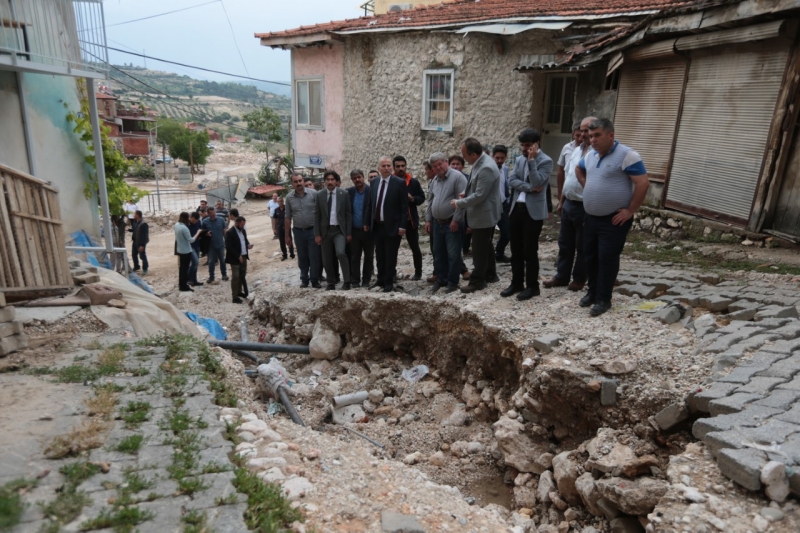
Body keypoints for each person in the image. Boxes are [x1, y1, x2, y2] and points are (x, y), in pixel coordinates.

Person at [576, 118, 649, 316]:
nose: (593, 140)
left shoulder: (627, 155)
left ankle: (603, 299)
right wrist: (589, 186)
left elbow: (643, 183)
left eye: (597, 135)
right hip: (591, 217)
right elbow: (578, 169)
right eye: (590, 136)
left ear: (611, 135)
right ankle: (592, 293)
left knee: (606, 258)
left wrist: (630, 210)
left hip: (613, 220)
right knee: (589, 256)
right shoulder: (591, 155)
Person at [544, 116, 597, 292]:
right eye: (581, 130)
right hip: (569, 204)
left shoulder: (597, 153)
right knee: (564, 243)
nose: (583, 134)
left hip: (585, 205)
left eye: (586, 130)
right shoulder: (575, 150)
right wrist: (561, 201)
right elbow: (567, 176)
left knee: (582, 244)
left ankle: (579, 279)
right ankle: (561, 276)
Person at [502, 128, 553, 301]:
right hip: (516, 208)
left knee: (529, 250)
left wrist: (532, 161)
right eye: (522, 145)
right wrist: (529, 188)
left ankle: (533, 286)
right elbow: (512, 180)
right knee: (515, 249)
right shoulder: (519, 160)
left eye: (528, 145)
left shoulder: (546, 161)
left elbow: (539, 181)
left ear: (536, 144)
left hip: (533, 212)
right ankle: (516, 283)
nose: (524, 149)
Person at [453, 138, 502, 293]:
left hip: (484, 214)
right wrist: (466, 193)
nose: (464, 158)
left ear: (473, 154)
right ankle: (490, 274)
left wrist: (459, 203)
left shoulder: (486, 167)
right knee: (486, 245)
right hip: (483, 212)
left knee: (479, 249)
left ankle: (477, 281)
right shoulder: (481, 161)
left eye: (464, 155)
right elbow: (476, 185)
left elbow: (480, 195)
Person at [426, 153, 467, 294]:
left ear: (446, 162)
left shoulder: (458, 177)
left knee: (453, 254)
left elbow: (462, 201)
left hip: (452, 222)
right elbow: (430, 201)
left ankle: (453, 282)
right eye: (434, 166)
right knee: (438, 253)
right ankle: (441, 280)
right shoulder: (434, 181)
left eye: (440, 164)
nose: (438, 168)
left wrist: (456, 220)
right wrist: (428, 219)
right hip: (437, 223)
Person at [369, 156, 407, 292]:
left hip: (393, 226)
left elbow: (404, 207)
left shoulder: (399, 183)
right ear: (379, 168)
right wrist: (368, 222)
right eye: (383, 166)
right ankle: (380, 280)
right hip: (377, 225)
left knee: (391, 255)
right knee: (379, 254)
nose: (386, 168)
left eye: (388, 166)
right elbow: (371, 204)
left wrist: (402, 226)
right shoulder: (374, 183)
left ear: (391, 167)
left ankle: (389, 281)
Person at [314, 170, 352, 290]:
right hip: (325, 232)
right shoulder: (319, 195)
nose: (330, 182)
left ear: (336, 181)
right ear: (324, 182)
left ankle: (347, 281)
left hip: (339, 231)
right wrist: (317, 234)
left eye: (332, 180)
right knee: (326, 259)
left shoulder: (343, 194)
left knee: (341, 253)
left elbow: (348, 214)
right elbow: (317, 215)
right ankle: (331, 282)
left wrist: (348, 232)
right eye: (328, 180)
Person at [285, 171, 321, 288]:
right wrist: (287, 235)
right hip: (298, 231)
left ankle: (314, 279)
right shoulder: (289, 198)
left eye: (300, 181)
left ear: (303, 181)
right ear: (292, 183)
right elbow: (287, 217)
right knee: (302, 256)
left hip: (313, 231)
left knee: (314, 256)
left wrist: (319, 232)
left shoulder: (314, 194)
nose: (299, 183)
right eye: (296, 182)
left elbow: (320, 213)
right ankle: (304, 279)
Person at [393, 155, 425, 280]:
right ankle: (392, 273)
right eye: (398, 166)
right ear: (394, 168)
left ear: (406, 166)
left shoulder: (413, 182)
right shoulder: (391, 182)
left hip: (411, 221)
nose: (401, 168)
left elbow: (421, 198)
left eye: (403, 166)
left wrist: (412, 199)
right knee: (393, 249)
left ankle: (418, 273)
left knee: (415, 248)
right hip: (396, 222)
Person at [347, 169, 373, 288]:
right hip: (354, 230)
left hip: (368, 231)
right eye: (354, 178)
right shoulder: (349, 193)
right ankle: (355, 280)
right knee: (355, 256)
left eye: (359, 177)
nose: (357, 180)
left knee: (369, 256)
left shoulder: (371, 191)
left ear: (363, 178)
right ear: (352, 180)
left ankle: (366, 279)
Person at [226, 216, 253, 303]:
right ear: (236, 223)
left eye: (243, 225)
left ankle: (239, 291)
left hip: (244, 256)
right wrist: (238, 256)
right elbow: (229, 247)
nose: (242, 226)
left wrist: (248, 245)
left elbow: (245, 240)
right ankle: (234, 297)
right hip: (235, 258)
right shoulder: (230, 232)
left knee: (242, 275)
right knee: (236, 276)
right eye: (241, 225)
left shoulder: (243, 231)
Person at [174, 212, 204, 292]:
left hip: (181, 249)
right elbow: (191, 240)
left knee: (182, 269)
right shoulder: (184, 228)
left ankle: (183, 284)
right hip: (186, 250)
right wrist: (198, 232)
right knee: (185, 268)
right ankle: (185, 284)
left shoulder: (177, 225)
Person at [492, 145, 512, 263]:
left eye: (502, 158)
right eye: (497, 158)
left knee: (506, 233)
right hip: (491, 206)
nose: (499, 160)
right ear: (493, 157)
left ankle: (499, 253)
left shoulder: (504, 169)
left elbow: (505, 186)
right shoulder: (489, 169)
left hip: (503, 205)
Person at [201, 207, 228, 284]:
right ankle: (211, 277)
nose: (212, 215)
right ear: (208, 214)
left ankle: (224, 275)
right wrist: (206, 234)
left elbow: (224, 231)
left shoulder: (221, 220)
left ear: (215, 212)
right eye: (211, 213)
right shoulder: (205, 222)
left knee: (222, 260)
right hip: (210, 246)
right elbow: (201, 232)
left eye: (214, 213)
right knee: (211, 261)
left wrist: (227, 241)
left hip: (220, 244)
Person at [130, 210, 149, 275]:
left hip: (140, 242)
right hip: (135, 241)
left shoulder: (143, 224)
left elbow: (144, 235)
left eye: (134, 214)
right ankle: (136, 266)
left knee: (142, 255)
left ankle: (145, 268)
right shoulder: (135, 222)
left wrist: (142, 245)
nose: (133, 215)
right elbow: (135, 230)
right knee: (134, 254)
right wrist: (129, 230)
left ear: (137, 215)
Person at [187, 212, 204, 287]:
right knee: (195, 262)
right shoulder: (186, 224)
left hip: (197, 245)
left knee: (196, 264)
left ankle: (194, 280)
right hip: (190, 246)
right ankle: (189, 279)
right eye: (192, 220)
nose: (193, 222)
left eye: (195, 221)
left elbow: (200, 231)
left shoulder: (199, 222)